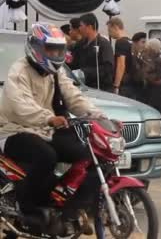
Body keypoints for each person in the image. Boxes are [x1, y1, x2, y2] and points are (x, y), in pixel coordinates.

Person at [0, 23, 103, 231]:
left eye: (58, 49)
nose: (55, 54)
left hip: (43, 130)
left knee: (84, 154)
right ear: (35, 47)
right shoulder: (19, 71)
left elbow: (74, 96)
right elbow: (21, 106)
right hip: (13, 130)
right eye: (50, 49)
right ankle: (29, 208)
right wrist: (49, 118)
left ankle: (67, 208)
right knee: (46, 156)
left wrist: (98, 115)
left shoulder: (56, 73)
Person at [71, 13, 114, 91]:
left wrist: (84, 72)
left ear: (89, 27)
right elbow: (73, 62)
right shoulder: (80, 44)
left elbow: (107, 68)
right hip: (82, 87)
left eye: (81, 26)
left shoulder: (103, 44)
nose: (79, 29)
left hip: (100, 88)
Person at [106, 17, 135, 98]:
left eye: (109, 30)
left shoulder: (120, 42)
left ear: (115, 27)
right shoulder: (130, 41)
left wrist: (116, 85)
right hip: (131, 83)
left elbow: (121, 65)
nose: (109, 34)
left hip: (123, 84)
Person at [130, 32, 147, 101]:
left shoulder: (141, 58)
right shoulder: (130, 57)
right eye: (142, 42)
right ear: (135, 43)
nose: (144, 45)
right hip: (132, 92)